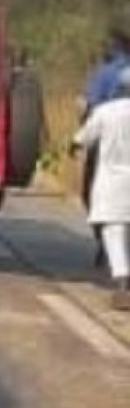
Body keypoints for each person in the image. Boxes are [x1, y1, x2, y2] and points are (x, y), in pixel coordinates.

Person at [73, 67, 130, 311]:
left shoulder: (106, 112)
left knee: (114, 232)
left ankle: (121, 285)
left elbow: (83, 138)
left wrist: (73, 146)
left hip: (112, 182)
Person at [82, 31, 130, 265]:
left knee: (93, 193)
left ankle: (105, 243)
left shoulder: (104, 72)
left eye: (106, 45)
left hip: (107, 140)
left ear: (115, 47)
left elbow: (91, 107)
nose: (104, 49)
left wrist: (81, 137)